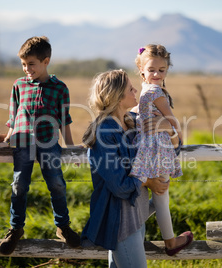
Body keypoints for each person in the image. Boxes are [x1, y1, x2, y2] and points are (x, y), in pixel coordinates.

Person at [81, 70, 192, 267]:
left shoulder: (132, 122)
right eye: (130, 88)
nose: (136, 91)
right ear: (116, 96)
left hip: (137, 215)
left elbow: (166, 151)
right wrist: (147, 181)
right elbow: (119, 186)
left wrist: (169, 129)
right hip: (121, 222)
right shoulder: (104, 133)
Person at [0, 36, 80, 255]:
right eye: (24, 64)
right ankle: (15, 228)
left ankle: (62, 226)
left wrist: (71, 146)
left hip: (49, 142)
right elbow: (13, 114)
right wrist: (8, 136)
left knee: (56, 184)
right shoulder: (19, 85)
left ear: (46, 61)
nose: (27, 69)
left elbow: (64, 119)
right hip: (22, 142)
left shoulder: (59, 88)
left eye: (31, 64)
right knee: (19, 186)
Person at [130, 44, 192, 256]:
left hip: (146, 149)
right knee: (162, 198)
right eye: (151, 70)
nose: (156, 74)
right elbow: (173, 121)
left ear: (167, 70)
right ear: (142, 71)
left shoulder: (144, 92)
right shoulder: (156, 91)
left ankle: (123, 224)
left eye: (162, 70)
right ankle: (171, 243)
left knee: (158, 197)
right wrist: (178, 132)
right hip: (158, 149)